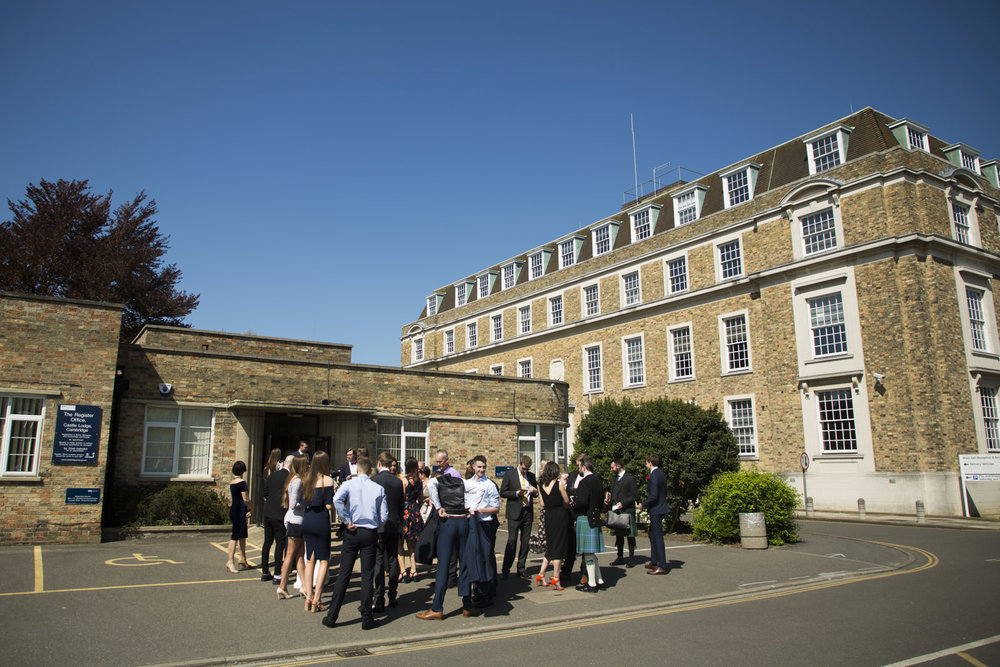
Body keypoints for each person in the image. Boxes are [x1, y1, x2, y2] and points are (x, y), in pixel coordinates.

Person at [416, 452, 489, 621]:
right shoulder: (462, 482)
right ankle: (467, 606)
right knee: (464, 563)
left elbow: (431, 487)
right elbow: (481, 488)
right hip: (462, 521)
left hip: (448, 522)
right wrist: (471, 508)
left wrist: (439, 506)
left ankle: (437, 607)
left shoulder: (437, 481)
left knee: (443, 565)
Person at [321, 456, 387, 630]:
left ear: (357, 470)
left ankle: (332, 616)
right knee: (367, 575)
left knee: (344, 573)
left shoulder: (349, 485)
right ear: (371, 470)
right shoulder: (378, 488)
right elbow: (384, 515)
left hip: (352, 530)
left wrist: (346, 519)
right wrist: (376, 524)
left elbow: (336, 501)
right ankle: (367, 618)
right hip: (369, 532)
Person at [299, 451, 335, 612]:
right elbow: (328, 505)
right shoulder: (328, 480)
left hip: (308, 519)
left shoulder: (306, 480)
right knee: (324, 560)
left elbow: (302, 501)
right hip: (321, 519)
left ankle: (308, 596)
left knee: (310, 560)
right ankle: (317, 599)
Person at [372, 451, 404, 612]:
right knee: (393, 559)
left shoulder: (373, 481)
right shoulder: (398, 482)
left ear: (379, 463)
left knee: (378, 561)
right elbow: (400, 506)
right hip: (394, 524)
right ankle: (392, 595)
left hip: (378, 526)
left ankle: (378, 598)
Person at [467, 454, 500, 607]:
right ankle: (478, 590)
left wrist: (481, 511)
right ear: (473, 467)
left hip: (485, 524)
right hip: (472, 523)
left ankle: (488, 593)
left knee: (485, 557)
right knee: (475, 556)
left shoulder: (490, 485)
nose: (481, 469)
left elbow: (496, 508)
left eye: (483, 467)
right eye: (479, 467)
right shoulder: (468, 483)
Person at [499, 455, 537, 579]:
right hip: (514, 512)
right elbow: (503, 492)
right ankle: (506, 569)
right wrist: (516, 493)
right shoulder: (510, 474)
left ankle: (521, 568)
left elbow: (536, 494)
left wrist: (534, 491)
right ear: (519, 464)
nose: (525, 471)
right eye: (524, 469)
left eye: (527, 469)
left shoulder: (530, 476)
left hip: (527, 512)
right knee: (512, 541)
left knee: (525, 542)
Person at [277, 455, 309, 599]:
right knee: (290, 554)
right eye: (306, 464)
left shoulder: (295, 479)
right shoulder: (297, 481)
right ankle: (282, 586)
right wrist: (306, 503)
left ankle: (304, 586)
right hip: (295, 520)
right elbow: (292, 504)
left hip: (298, 520)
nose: (308, 466)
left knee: (300, 555)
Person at [536, 460, 570, 589]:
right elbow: (566, 500)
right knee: (559, 548)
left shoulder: (541, 485)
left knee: (550, 546)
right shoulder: (559, 484)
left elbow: (542, 504)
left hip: (548, 516)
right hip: (560, 515)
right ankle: (556, 577)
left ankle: (541, 574)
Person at [572, 457, 604, 593]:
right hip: (596, 517)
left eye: (579, 467)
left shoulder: (584, 482)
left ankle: (591, 584)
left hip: (585, 518)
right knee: (591, 553)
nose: (579, 469)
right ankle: (599, 579)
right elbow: (601, 501)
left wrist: (573, 505)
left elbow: (583, 502)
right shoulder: (598, 481)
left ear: (584, 468)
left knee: (588, 554)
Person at [638, 453, 670, 575]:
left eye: (646, 463)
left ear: (650, 463)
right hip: (660, 508)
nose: (646, 465)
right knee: (652, 535)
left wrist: (643, 504)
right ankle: (654, 560)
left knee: (657, 537)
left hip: (656, 509)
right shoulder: (661, 474)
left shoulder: (655, 475)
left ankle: (661, 565)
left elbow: (654, 495)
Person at [260, 452, 290, 582]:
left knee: (267, 542)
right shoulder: (290, 478)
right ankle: (278, 573)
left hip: (268, 513)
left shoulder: (272, 476)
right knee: (280, 543)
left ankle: (265, 571)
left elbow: (265, 493)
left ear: (283, 463)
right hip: (280, 514)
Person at [607, 458, 639, 568]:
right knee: (618, 535)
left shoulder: (630, 479)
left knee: (630, 536)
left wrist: (623, 503)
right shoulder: (614, 479)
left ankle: (631, 558)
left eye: (612, 467)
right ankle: (620, 557)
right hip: (616, 511)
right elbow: (612, 493)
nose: (611, 469)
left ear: (619, 466)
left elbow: (634, 495)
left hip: (626, 510)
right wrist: (608, 500)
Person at [562, 452, 588, 585]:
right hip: (571, 514)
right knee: (570, 544)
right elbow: (566, 491)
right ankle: (566, 571)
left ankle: (585, 573)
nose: (578, 467)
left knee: (584, 546)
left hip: (583, 514)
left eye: (579, 465)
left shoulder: (590, 477)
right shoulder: (572, 475)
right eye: (577, 465)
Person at [398, 457, 424, 582]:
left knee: (400, 543)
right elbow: (421, 499)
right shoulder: (419, 482)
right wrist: (416, 509)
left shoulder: (404, 481)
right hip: (414, 511)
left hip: (404, 511)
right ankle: (414, 570)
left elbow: (401, 498)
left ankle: (403, 570)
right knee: (412, 544)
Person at [226, 460, 251, 573]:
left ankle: (243, 558)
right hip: (240, 510)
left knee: (242, 535)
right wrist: (252, 508)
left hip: (234, 509)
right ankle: (230, 561)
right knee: (235, 536)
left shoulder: (232, 482)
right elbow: (245, 499)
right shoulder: (242, 483)